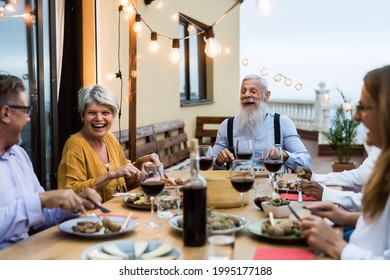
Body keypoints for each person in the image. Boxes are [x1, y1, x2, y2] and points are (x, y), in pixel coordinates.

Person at [0, 74, 103, 249]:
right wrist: (42, 200)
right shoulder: (75, 144)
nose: (29, 119)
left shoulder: (19, 156)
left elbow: (42, 217)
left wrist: (73, 203)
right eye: (26, 111)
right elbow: (38, 204)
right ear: (6, 113)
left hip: (28, 253)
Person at [301, 65, 390, 259]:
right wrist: (343, 216)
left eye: (364, 108)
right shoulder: (383, 153)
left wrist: (337, 246)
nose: (356, 116)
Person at [57, 84, 160, 202]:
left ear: (113, 116)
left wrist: (141, 164)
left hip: (120, 213)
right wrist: (111, 174)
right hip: (92, 216)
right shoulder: (75, 145)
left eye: (105, 113)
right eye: (92, 113)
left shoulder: (109, 138)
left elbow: (126, 180)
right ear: (82, 116)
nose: (99, 118)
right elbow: (70, 193)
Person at [212, 74, 312, 171]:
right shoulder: (227, 125)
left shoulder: (282, 123)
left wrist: (284, 155)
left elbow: (306, 162)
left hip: (272, 184)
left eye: (253, 91)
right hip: (239, 183)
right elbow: (212, 163)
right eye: (243, 91)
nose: (246, 95)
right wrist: (219, 161)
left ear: (267, 96)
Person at [299, 146, 381, 212]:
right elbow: (359, 175)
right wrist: (315, 177)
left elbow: (375, 204)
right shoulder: (379, 146)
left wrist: (326, 194)